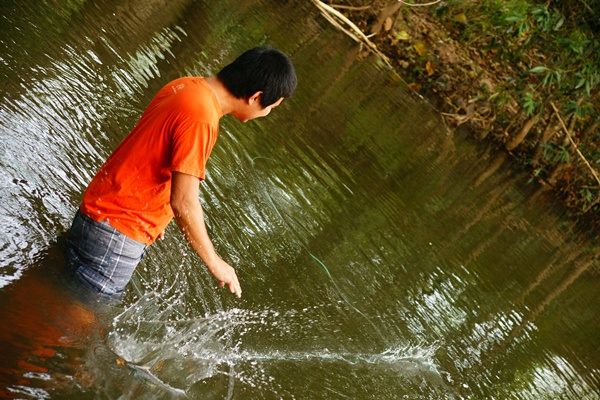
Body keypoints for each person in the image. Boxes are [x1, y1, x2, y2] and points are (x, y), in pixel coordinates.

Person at [66, 46, 297, 299]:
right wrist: (215, 261)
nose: (267, 113)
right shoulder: (202, 117)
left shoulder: (187, 85)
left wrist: (156, 213)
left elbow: (150, 153)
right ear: (255, 97)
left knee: (59, 290)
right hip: (119, 232)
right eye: (271, 107)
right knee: (83, 323)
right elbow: (184, 201)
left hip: (99, 210)